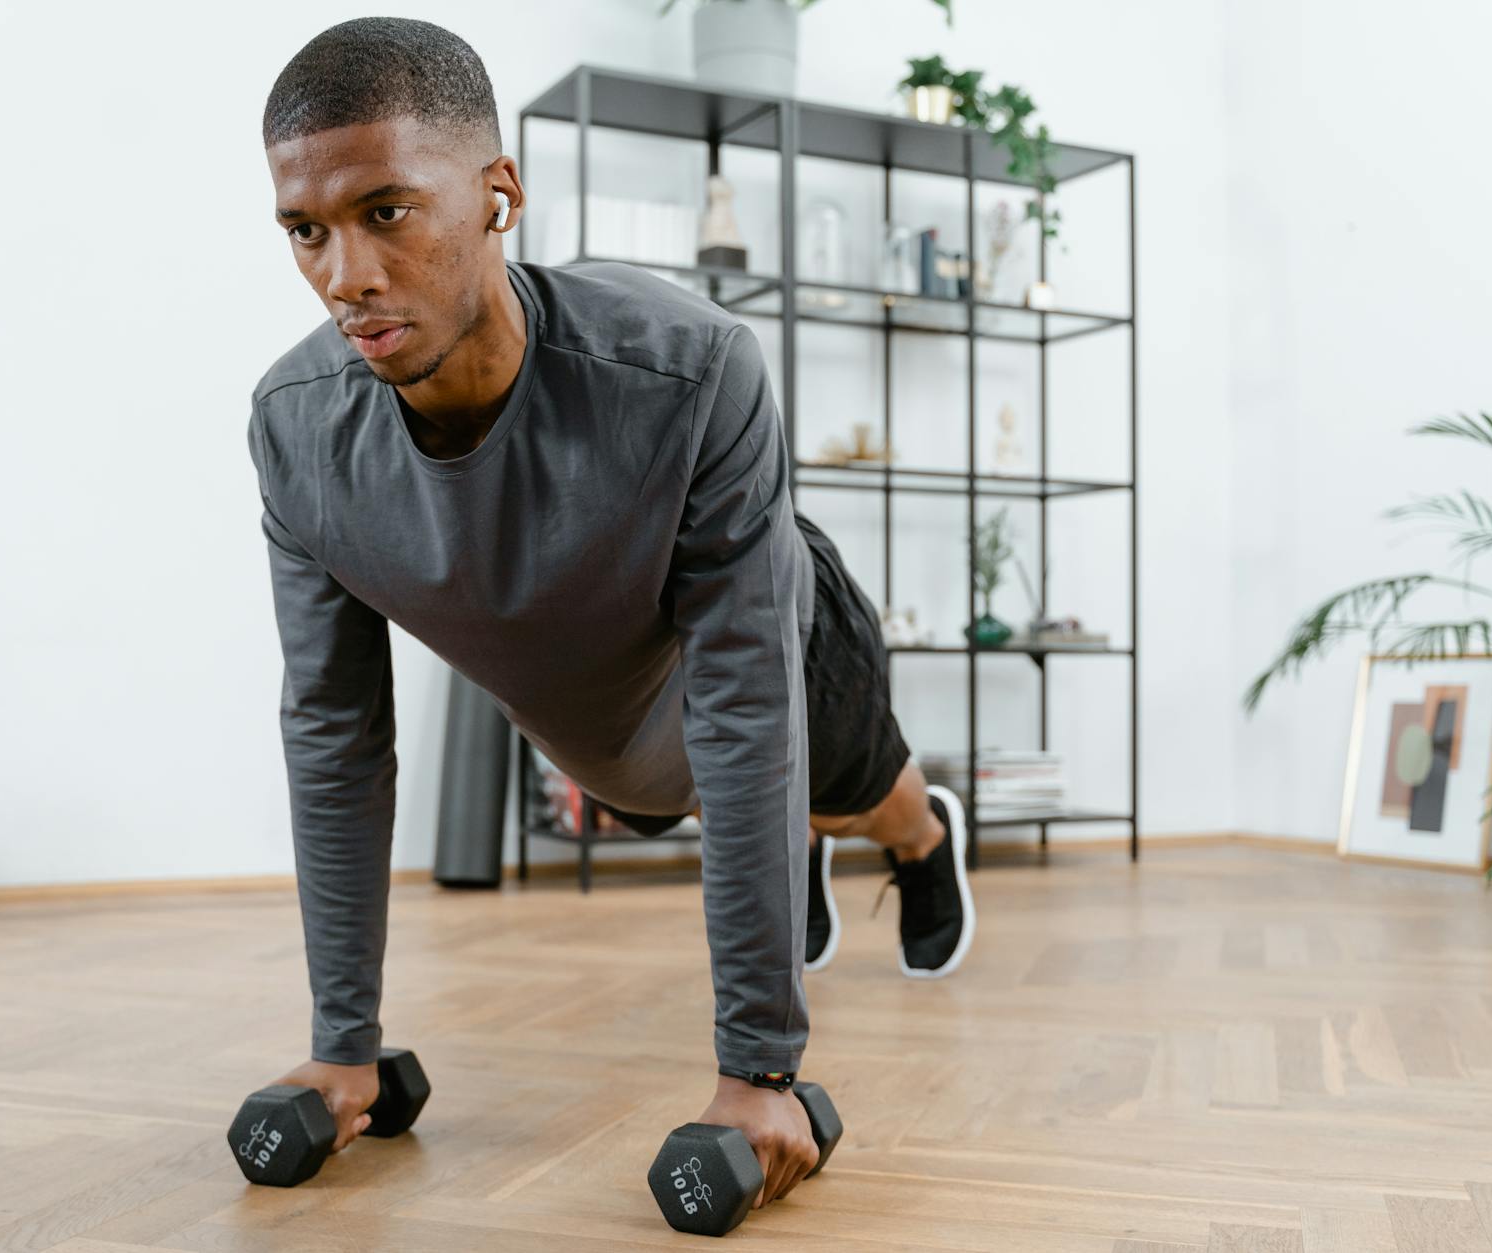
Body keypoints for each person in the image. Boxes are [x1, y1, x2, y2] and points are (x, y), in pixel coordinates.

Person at [244, 17, 975, 1211]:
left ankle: (919, 838)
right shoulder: (295, 432)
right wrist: (343, 1046)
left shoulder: (688, 371)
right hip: (620, 739)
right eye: (304, 231)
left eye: (386, 211)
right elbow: (332, 730)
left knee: (844, 781)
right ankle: (794, 844)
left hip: (779, 635)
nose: (345, 276)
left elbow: (745, 701)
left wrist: (759, 1069)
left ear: (498, 194)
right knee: (680, 794)